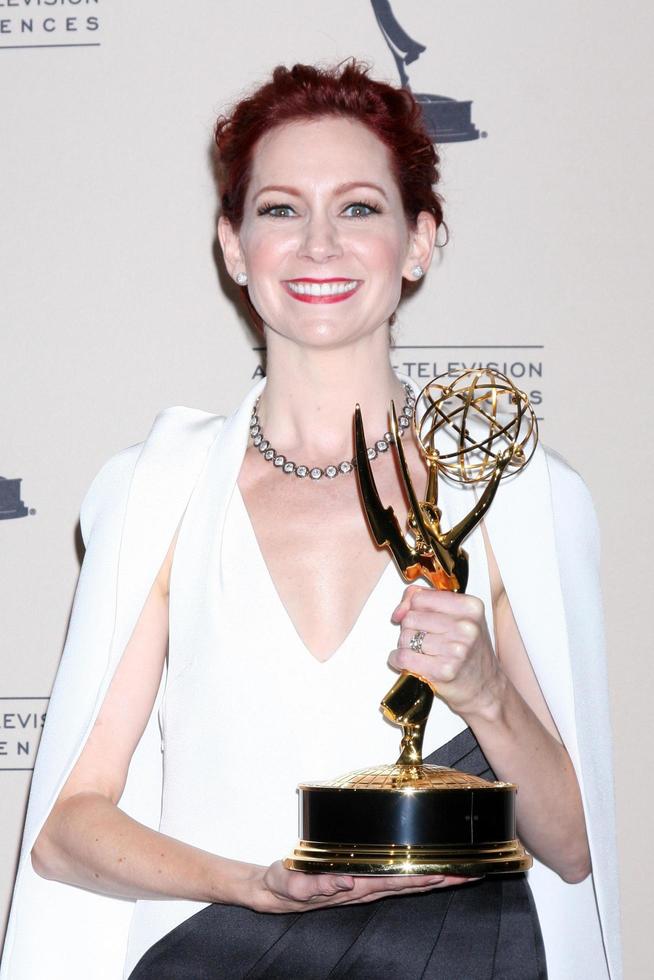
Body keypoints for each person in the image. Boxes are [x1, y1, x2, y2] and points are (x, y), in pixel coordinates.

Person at [0, 60, 620, 980]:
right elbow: (66, 831)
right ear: (233, 246)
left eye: (360, 209)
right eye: (282, 210)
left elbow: (571, 851)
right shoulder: (154, 493)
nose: (319, 244)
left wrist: (483, 688)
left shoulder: (520, 497)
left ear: (419, 241)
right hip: (215, 952)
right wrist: (252, 883)